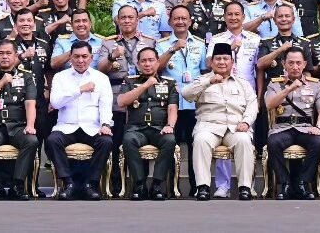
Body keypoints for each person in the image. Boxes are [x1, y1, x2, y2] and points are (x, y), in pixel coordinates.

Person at [181, 42, 257, 201]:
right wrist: (209, 81)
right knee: (201, 140)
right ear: (211, 62)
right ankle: (202, 187)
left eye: (225, 59)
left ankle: (244, 187)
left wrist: (246, 122)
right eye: (218, 59)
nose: (222, 62)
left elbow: (252, 104)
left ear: (232, 62)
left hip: (235, 127)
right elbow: (186, 93)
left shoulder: (242, 83)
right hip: (209, 127)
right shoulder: (202, 80)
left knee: (244, 140)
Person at [46, 39, 114, 201]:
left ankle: (91, 184)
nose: (80, 60)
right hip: (66, 127)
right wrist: (80, 90)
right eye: (76, 56)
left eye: (84, 56)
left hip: (92, 127)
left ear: (91, 58)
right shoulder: (60, 77)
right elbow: (55, 102)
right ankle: (68, 183)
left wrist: (105, 124)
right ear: (70, 58)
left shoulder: (101, 78)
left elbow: (105, 104)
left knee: (106, 142)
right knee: (52, 140)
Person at [0, 39, 39, 201]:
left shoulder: (27, 76)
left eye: (9, 53)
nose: (5, 57)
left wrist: (30, 125)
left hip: (17, 125)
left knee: (31, 140)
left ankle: (17, 186)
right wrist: (1, 83)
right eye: (1, 53)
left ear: (16, 55)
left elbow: (30, 103)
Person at [263, 47, 320, 200]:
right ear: (283, 64)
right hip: (282, 128)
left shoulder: (315, 85)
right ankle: (284, 184)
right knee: (273, 143)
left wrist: (319, 127)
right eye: (291, 63)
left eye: (298, 63)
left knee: (318, 142)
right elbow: (269, 104)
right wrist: (289, 88)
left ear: (304, 64)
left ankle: (303, 183)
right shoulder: (275, 84)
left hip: (305, 128)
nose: (295, 67)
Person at [118, 46, 179, 200]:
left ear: (158, 63)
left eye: (151, 60)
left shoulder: (169, 83)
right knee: (128, 139)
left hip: (159, 129)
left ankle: (157, 184)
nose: (147, 64)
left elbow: (172, 109)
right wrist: (145, 85)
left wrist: (170, 126)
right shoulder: (129, 81)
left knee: (170, 140)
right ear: (138, 64)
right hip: (136, 130)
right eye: (143, 61)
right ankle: (139, 185)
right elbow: (122, 101)